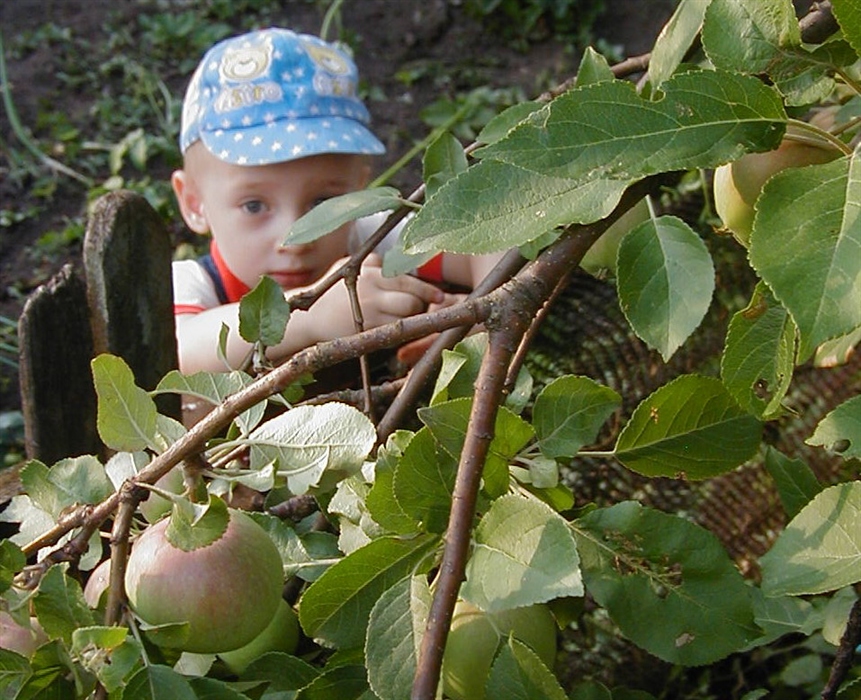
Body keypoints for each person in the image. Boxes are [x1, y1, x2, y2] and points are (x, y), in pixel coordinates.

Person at [171, 27, 498, 375]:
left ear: (359, 189)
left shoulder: (373, 239)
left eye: (323, 202)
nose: (294, 238)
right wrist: (310, 317)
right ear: (194, 203)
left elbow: (493, 236)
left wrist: (478, 314)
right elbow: (178, 353)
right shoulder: (194, 285)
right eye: (254, 206)